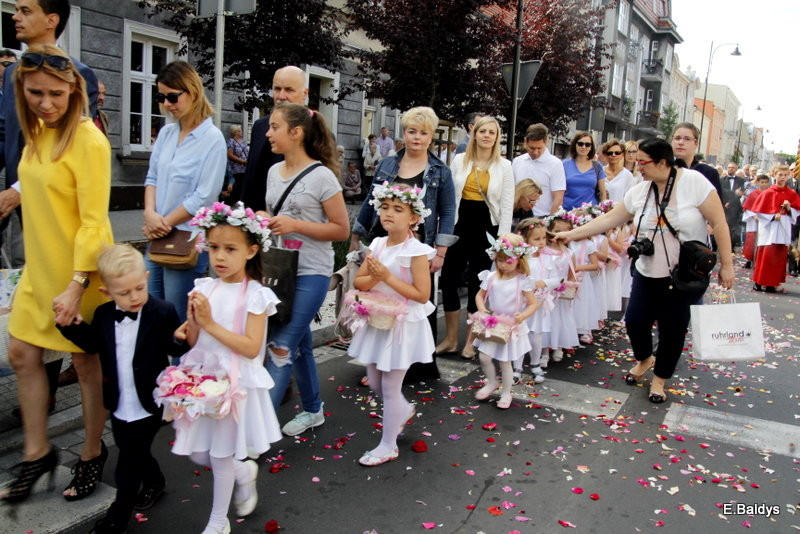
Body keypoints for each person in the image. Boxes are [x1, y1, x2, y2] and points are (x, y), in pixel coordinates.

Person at [1, 45, 113, 503]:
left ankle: (90, 453)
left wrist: (76, 284)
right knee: (22, 354)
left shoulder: (89, 140)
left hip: (79, 274)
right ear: (21, 91)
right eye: (35, 93)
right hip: (39, 269)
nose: (46, 103)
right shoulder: (37, 134)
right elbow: (38, 186)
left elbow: (93, 220)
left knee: (86, 366)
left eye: (56, 94)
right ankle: (37, 451)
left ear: (75, 92)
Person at [554, 138, 734, 403]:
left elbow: (719, 223)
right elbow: (610, 218)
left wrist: (727, 265)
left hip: (684, 274)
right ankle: (645, 358)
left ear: (662, 162)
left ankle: (660, 380)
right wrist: (571, 234)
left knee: (672, 329)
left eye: (642, 162)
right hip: (648, 270)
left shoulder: (694, 183)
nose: (638, 167)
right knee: (635, 321)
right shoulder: (640, 190)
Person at [0, 0, 100, 412]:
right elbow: (8, 133)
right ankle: (36, 428)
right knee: (23, 344)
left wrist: (21, 188)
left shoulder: (80, 75)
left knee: (78, 347)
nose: (15, 17)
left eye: (25, 9)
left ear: (51, 19)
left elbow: (77, 146)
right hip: (26, 210)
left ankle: (65, 422)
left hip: (62, 223)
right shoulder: (11, 72)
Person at [170, 203, 282, 534]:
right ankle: (242, 470)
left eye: (230, 249)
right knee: (199, 454)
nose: (219, 256)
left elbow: (250, 348)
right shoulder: (204, 287)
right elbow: (193, 339)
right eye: (214, 247)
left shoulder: (257, 295)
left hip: (234, 384)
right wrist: (189, 324)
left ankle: (218, 522)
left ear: (251, 250)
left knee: (218, 456)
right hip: (202, 380)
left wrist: (207, 323)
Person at [56, 245, 181, 534]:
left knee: (127, 464)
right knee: (129, 448)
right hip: (119, 401)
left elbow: (175, 346)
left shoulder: (163, 312)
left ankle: (116, 518)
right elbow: (91, 343)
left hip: (149, 401)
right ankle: (155, 481)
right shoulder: (103, 315)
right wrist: (69, 325)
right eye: (124, 293)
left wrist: (188, 336)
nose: (134, 296)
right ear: (107, 293)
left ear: (146, 276)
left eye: (139, 287)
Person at [259, 103, 350, 436]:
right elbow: (273, 216)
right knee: (299, 346)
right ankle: (313, 410)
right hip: (278, 272)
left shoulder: (322, 176)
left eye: (274, 127)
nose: (268, 133)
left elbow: (341, 229)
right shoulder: (273, 172)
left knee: (281, 346)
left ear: (295, 132)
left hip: (312, 271)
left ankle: (258, 431)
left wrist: (295, 224)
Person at [350, 106, 457, 383]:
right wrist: (356, 237)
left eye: (423, 133)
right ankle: (380, 363)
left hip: (420, 247)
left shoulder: (440, 171)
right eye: (412, 131)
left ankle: (416, 366)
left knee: (417, 306)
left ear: (431, 136)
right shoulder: (387, 164)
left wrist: (441, 251)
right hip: (388, 242)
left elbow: (447, 212)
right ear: (404, 133)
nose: (417, 138)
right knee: (383, 299)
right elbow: (370, 203)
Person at [347, 184, 435, 466]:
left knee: (389, 387)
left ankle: (388, 445)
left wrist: (386, 276)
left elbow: (422, 294)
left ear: (413, 218)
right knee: (374, 382)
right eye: (385, 207)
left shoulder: (416, 251)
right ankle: (403, 409)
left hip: (402, 325)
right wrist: (375, 278)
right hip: (378, 319)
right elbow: (359, 282)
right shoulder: (377, 245)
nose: (389, 213)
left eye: (398, 209)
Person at [143, 60, 226, 321]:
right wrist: (149, 213)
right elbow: (152, 177)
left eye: (172, 96)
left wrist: (164, 222)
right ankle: (160, 364)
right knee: (152, 313)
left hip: (187, 239)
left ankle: (181, 363)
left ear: (193, 92)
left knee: (179, 318)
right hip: (157, 235)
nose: (167, 103)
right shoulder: (167, 133)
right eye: (161, 97)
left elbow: (204, 196)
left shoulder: (212, 139)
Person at [437, 116, 514, 358]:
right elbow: (449, 197)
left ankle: (470, 341)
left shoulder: (504, 166)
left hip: (486, 225)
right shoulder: (460, 160)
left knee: (477, 281)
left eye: (492, 132)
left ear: (496, 137)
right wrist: (444, 227)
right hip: (459, 223)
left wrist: (502, 240)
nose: (487, 135)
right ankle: (450, 339)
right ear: (474, 133)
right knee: (449, 278)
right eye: (482, 131)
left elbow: (507, 204)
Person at [473, 234, 538, 409]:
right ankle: (492, 382)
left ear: (519, 260)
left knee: (505, 361)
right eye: (500, 260)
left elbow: (533, 304)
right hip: (493, 324)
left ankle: (506, 392)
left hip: (510, 327)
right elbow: (479, 296)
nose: (503, 265)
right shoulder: (491, 276)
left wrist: (523, 316)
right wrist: (482, 309)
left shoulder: (522, 281)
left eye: (508, 261)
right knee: (484, 357)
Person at [239, 66, 309, 212]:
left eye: (289, 90)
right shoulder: (259, 126)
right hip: (255, 219)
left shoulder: (314, 130)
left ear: (305, 94)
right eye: (277, 89)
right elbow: (251, 175)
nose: (281, 96)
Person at [516, 218, 558, 384]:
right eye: (537, 239)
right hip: (521, 303)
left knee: (536, 336)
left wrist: (544, 284)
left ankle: (535, 364)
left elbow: (557, 278)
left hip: (539, 303)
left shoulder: (548, 258)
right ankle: (517, 367)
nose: (542, 243)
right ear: (525, 239)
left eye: (544, 238)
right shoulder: (520, 258)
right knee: (519, 334)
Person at [747, 165, 800, 293]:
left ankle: (772, 284)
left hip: (783, 228)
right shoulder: (767, 193)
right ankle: (759, 282)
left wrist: (789, 209)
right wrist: (771, 217)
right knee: (766, 255)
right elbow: (759, 212)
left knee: (778, 257)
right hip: (769, 229)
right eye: (780, 175)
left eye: (785, 175)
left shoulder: (791, 193)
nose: (783, 178)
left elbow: (796, 210)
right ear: (774, 175)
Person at [511, 123, 566, 215]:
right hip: (517, 218)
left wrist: (549, 222)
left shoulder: (555, 164)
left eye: (539, 148)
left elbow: (558, 198)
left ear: (546, 142)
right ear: (525, 142)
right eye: (532, 148)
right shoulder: (517, 161)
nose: (535, 152)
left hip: (542, 217)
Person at [671, 123, 723, 201]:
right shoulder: (663, 168)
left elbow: (717, 208)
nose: (681, 142)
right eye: (677, 138)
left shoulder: (708, 173)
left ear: (696, 144)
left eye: (687, 139)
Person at [562, 132, 606, 210]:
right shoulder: (564, 164)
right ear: (575, 145)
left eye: (587, 144)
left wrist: (603, 210)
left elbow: (603, 193)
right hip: (567, 213)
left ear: (591, 147)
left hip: (590, 213)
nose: (584, 147)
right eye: (580, 144)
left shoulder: (597, 166)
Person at [741, 174, 771, 269]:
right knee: (751, 241)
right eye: (762, 182)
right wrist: (753, 215)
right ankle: (749, 259)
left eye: (766, 182)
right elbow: (748, 207)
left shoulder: (770, 194)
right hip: (754, 221)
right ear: (758, 183)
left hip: (766, 221)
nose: (764, 184)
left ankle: (761, 260)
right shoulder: (753, 194)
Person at [720, 162, 746, 248]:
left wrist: (730, 201)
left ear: (736, 169)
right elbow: (722, 191)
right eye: (729, 167)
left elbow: (740, 193)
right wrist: (733, 193)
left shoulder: (741, 180)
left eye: (733, 168)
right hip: (723, 205)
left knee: (733, 228)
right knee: (723, 226)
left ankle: (731, 247)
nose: (730, 169)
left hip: (735, 207)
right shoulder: (721, 179)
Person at [226, 124, 248, 201]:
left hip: (244, 169)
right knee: (237, 188)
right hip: (235, 170)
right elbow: (230, 155)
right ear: (235, 132)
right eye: (240, 130)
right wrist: (242, 161)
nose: (241, 132)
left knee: (242, 188)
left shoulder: (243, 142)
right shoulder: (231, 141)